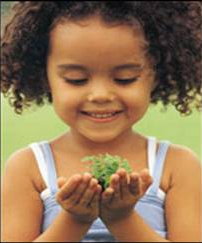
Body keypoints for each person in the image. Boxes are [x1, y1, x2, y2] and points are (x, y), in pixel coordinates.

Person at [1, 1, 201, 242]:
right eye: (76, 79)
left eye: (125, 79)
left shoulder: (177, 167)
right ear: (45, 77)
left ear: (155, 77)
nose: (100, 95)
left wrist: (121, 218)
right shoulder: (28, 168)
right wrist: (75, 220)